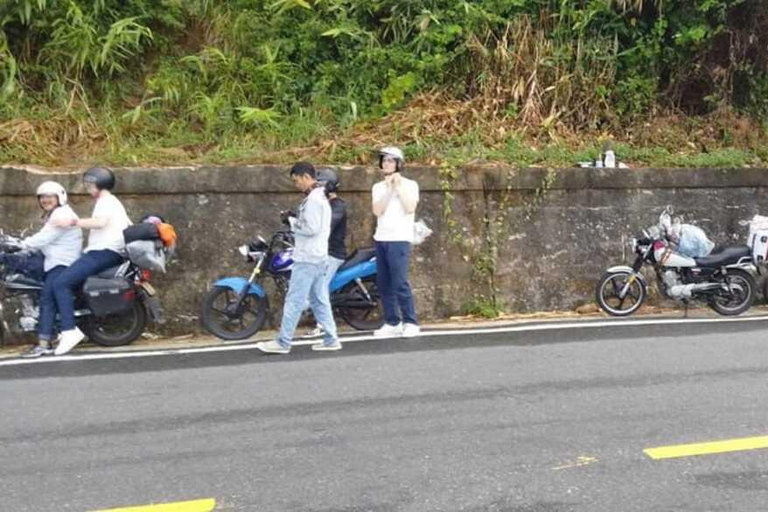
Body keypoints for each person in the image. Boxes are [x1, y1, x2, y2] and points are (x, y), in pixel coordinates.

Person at [256, 162, 340, 354]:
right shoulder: (320, 197)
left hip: (307, 258)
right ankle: (331, 338)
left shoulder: (313, 200)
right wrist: (296, 218)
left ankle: (283, 342)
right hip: (319, 257)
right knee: (319, 299)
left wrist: (291, 221)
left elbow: (311, 228)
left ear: (305, 177)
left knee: (294, 300)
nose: (296, 185)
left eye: (296, 180)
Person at [52, 167, 132, 356]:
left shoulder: (106, 201)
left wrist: (72, 222)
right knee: (72, 283)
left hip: (104, 252)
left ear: (99, 184)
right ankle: (69, 326)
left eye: (90, 184)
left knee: (61, 283)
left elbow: (99, 222)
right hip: (107, 252)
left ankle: (69, 331)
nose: (87, 188)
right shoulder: (113, 202)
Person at [17, 182, 83, 358]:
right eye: (42, 197)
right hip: (55, 261)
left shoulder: (61, 214)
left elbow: (44, 238)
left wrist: (20, 244)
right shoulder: (55, 214)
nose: (45, 200)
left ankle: (46, 342)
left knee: (47, 298)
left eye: (49, 196)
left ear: (59, 197)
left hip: (62, 263)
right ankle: (47, 338)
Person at [371, 146, 420, 338]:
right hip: (381, 237)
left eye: (391, 160)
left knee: (400, 282)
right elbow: (377, 210)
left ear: (399, 163)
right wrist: (389, 189)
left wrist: (398, 187)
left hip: (399, 238)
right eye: (384, 160)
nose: (386, 163)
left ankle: (411, 321)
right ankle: (392, 321)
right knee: (383, 282)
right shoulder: (378, 187)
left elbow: (410, 207)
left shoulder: (410, 184)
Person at [304, 168, 347, 337]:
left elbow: (326, 226)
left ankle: (323, 325)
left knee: (319, 288)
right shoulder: (322, 204)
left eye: (321, 184)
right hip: (321, 252)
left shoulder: (338, 206)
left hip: (333, 254)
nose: (317, 188)